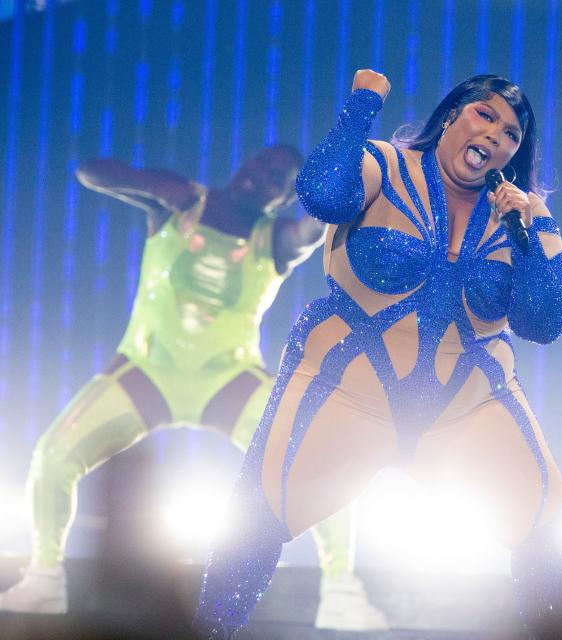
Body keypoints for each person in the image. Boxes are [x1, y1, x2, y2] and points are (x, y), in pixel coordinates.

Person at [191, 69, 562, 638]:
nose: (496, 135)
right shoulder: (386, 164)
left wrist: (531, 231)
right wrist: (361, 105)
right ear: (451, 116)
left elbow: (544, 322)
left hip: (465, 409)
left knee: (549, 528)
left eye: (512, 134)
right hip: (343, 391)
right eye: (485, 115)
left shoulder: (523, 216)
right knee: (253, 523)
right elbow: (324, 194)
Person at [0, 145, 389, 631]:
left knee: (322, 461)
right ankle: (44, 578)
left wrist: (349, 193)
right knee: (54, 455)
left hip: (230, 379)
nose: (263, 176)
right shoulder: (180, 202)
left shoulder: (278, 240)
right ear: (243, 162)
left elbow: (319, 228)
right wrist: (153, 185)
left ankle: (341, 591)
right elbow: (89, 172)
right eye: (262, 164)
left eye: (278, 179)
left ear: (284, 198)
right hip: (146, 370)